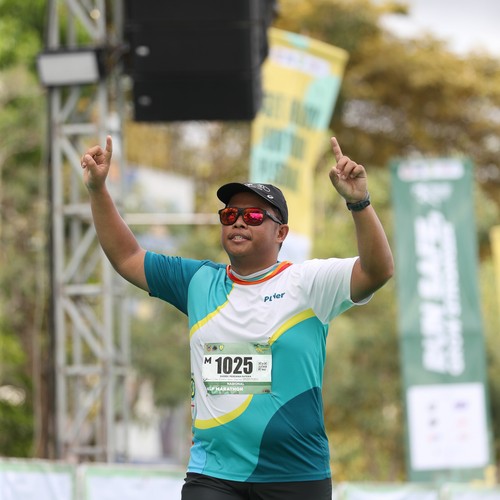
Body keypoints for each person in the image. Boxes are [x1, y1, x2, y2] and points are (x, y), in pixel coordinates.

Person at [81, 136, 394, 500]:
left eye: (254, 216)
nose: (239, 222)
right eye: (230, 215)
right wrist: (98, 190)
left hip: (296, 475)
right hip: (213, 475)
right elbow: (127, 257)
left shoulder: (308, 282)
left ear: (281, 233)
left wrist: (359, 202)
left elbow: (378, 270)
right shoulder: (198, 281)